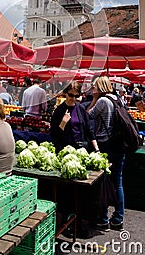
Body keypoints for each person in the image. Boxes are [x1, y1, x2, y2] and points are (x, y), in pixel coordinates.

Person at [87, 76, 125, 231]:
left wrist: (94, 99)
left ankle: (103, 219)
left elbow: (88, 114)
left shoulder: (102, 101)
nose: (93, 89)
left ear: (100, 87)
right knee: (118, 182)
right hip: (119, 145)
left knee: (103, 183)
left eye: (95, 87)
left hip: (106, 145)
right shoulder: (118, 99)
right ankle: (118, 218)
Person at [50, 81, 98, 153]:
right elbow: (54, 135)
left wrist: (97, 149)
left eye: (77, 96)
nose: (74, 98)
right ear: (65, 93)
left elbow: (89, 130)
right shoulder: (59, 111)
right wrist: (63, 123)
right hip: (65, 150)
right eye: (71, 95)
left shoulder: (81, 108)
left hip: (81, 149)